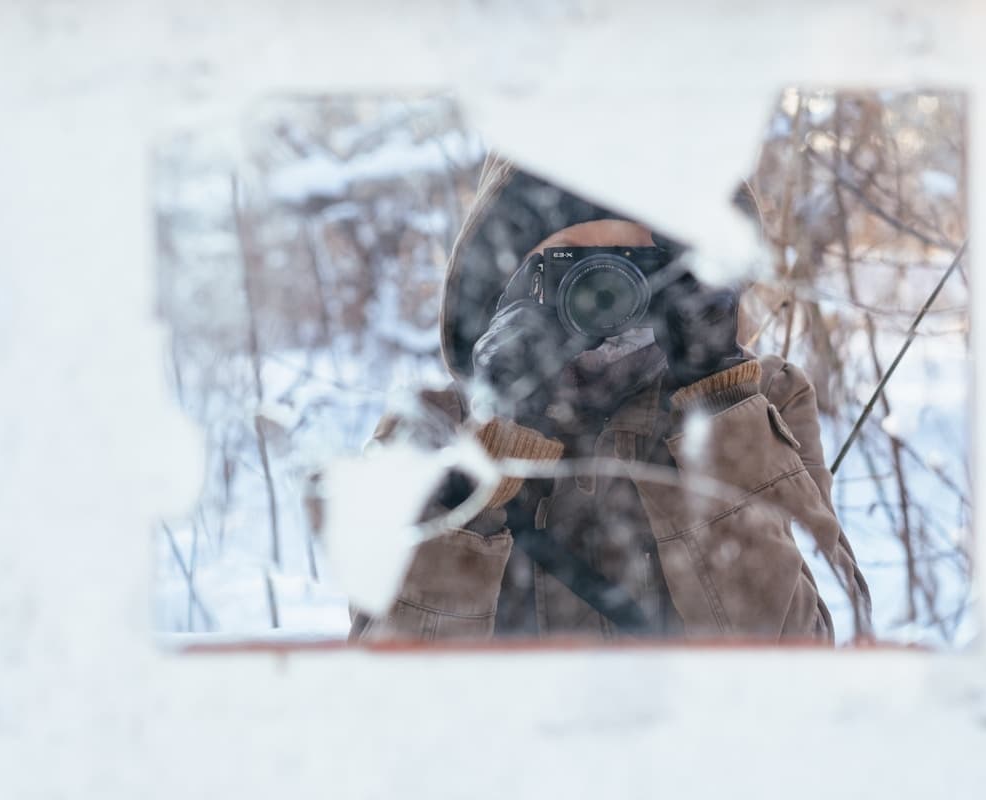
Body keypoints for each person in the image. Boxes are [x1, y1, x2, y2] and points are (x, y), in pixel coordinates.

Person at [349, 155, 872, 643]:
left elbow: (802, 650)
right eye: (566, 266)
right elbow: (393, 678)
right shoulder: (432, 429)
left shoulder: (766, 396)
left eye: (631, 266)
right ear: (507, 277)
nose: (601, 294)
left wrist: (719, 406)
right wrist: (491, 454)